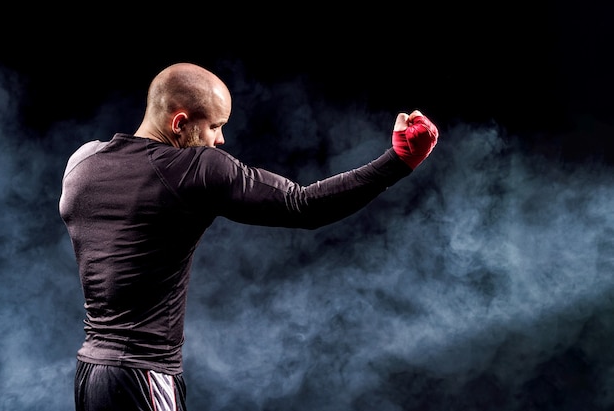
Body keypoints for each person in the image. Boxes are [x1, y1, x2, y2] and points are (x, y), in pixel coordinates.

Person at [59, 62, 439, 411]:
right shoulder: (194, 169)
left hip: (91, 374)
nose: (220, 139)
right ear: (179, 123)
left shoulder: (83, 162)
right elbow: (302, 205)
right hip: (143, 373)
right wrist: (398, 161)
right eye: (214, 126)